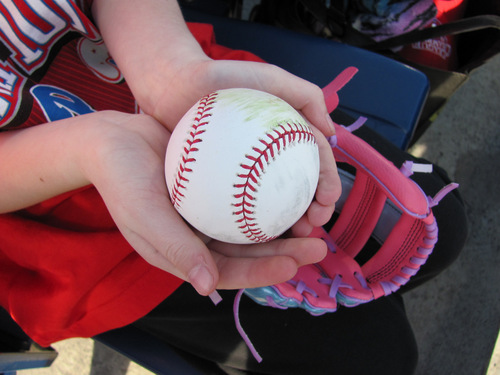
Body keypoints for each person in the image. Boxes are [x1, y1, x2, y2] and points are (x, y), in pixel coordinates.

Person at [0, 1, 467, 374]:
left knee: (441, 227)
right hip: (77, 227)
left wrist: (169, 69)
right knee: (376, 359)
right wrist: (92, 148)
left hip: (200, 99)